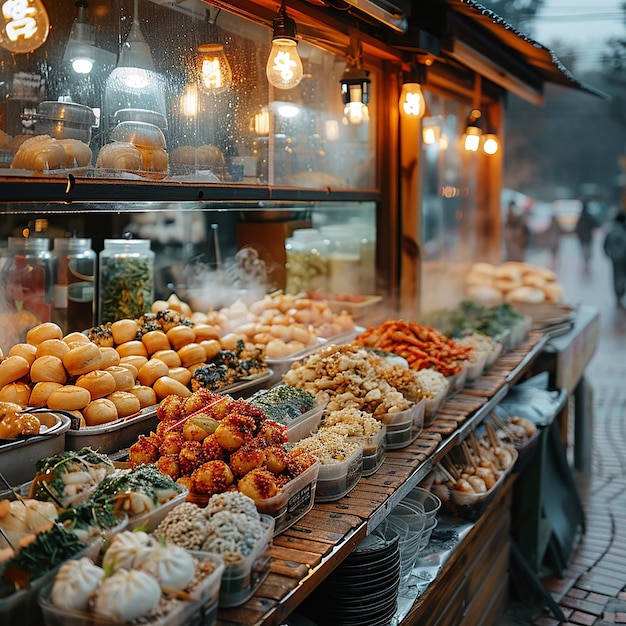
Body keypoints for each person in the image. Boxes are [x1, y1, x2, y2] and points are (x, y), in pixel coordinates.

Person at [603, 212, 626, 308]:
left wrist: (608, 255)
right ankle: (622, 292)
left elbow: (605, 245)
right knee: (623, 276)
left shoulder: (611, 231)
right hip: (624, 257)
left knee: (616, 276)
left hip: (615, 258)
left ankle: (618, 295)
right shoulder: (624, 229)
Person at [575, 201, 597, 271]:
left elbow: (577, 228)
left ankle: (586, 261)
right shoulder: (589, 217)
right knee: (588, 249)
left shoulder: (581, 217)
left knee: (584, 250)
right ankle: (587, 261)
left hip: (582, 237)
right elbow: (595, 224)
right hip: (588, 236)